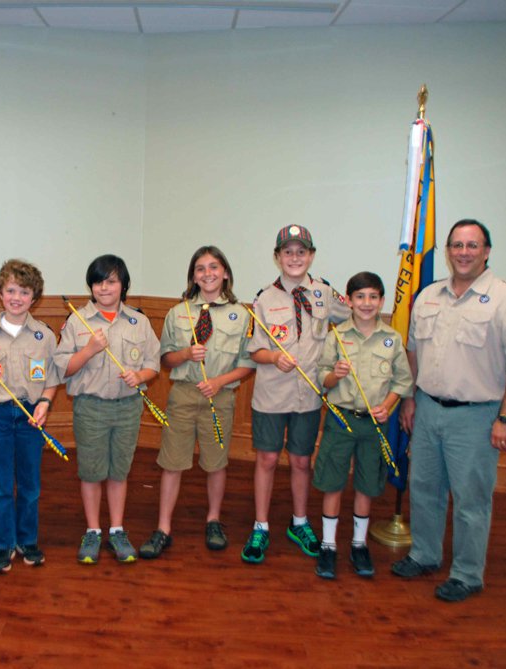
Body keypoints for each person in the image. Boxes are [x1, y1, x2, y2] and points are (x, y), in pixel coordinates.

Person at [392, 219, 506, 602]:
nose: (463, 252)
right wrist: (409, 398)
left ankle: (467, 574)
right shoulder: (428, 295)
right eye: (456, 245)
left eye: (472, 245)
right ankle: (425, 554)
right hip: (427, 409)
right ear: (447, 250)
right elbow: (413, 351)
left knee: (471, 499)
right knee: (423, 488)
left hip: (476, 416)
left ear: (486, 251)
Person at [242, 225, 351, 564]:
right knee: (268, 459)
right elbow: (253, 350)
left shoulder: (325, 294)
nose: (294, 257)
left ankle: (299, 522)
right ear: (277, 257)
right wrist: (274, 356)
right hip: (272, 395)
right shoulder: (263, 299)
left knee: (302, 461)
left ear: (311, 255)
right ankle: (261, 526)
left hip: (309, 395)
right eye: (287, 252)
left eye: (301, 251)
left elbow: (357, 319)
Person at [139, 246, 254, 559]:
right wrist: (187, 353)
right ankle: (163, 527)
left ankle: (213, 520)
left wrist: (219, 381)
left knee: (216, 463)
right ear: (193, 276)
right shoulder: (179, 313)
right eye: (200, 269)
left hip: (221, 395)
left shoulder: (242, 314)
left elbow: (248, 363)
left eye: (214, 267)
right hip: (184, 395)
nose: (208, 274)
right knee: (172, 462)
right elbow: (166, 359)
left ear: (225, 273)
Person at [55, 255, 160, 565]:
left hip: (128, 408)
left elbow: (153, 363)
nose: (105, 287)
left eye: (111, 281)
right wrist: (89, 350)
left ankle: (116, 529)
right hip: (90, 408)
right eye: (99, 281)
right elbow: (64, 369)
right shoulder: (78, 321)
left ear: (123, 285)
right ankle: (92, 531)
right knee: (91, 472)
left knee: (118, 471)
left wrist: (140, 376)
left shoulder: (138, 321)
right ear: (91, 286)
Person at [312, 271, 412, 579]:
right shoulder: (337, 335)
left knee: (367, 484)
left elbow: (402, 380)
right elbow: (322, 379)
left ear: (381, 301)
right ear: (350, 301)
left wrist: (389, 405)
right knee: (332, 481)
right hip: (341, 421)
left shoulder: (392, 338)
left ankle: (358, 543)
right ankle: (328, 545)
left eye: (372, 297)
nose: (366, 303)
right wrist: (335, 375)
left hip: (374, 425)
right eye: (359, 297)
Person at [0, 259, 60, 574]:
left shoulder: (44, 336)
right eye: (11, 290)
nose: (17, 297)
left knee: (29, 484)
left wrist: (45, 403)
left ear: (34, 297)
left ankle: (27, 540)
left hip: (31, 416)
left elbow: (51, 379)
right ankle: (3, 544)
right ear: (0, 293)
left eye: (24, 292)